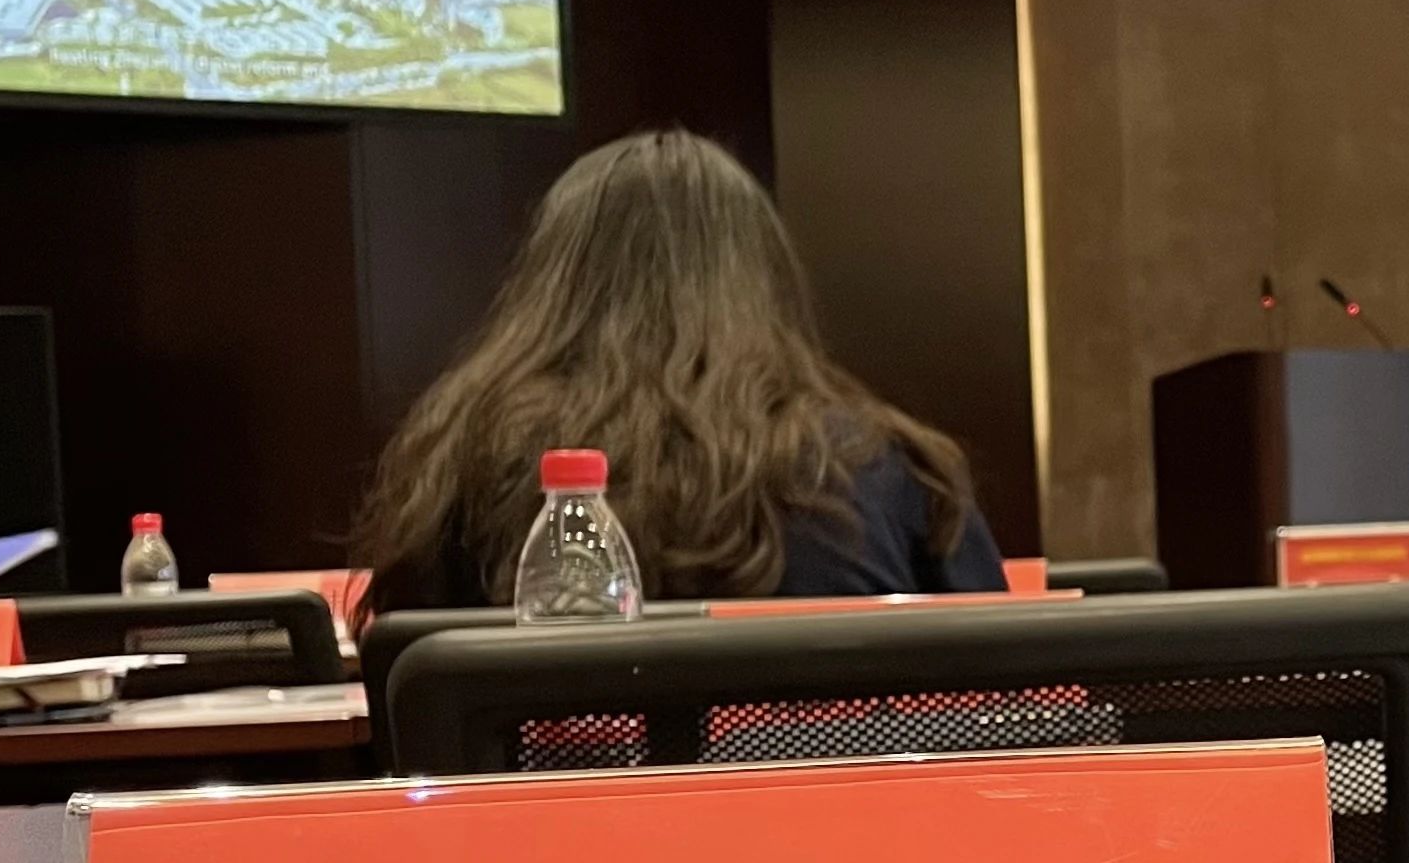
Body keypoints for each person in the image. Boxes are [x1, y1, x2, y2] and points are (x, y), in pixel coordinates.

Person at [354, 128, 1003, 610]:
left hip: (567, 767)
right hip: (833, 767)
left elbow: (408, 700)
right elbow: (1001, 697)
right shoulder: (892, 468)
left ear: (550, 285)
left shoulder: (460, 465)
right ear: (767, 283)